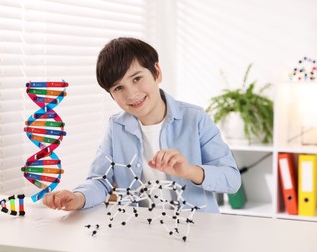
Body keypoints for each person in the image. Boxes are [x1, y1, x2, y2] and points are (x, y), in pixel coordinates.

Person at [43, 37, 241, 213]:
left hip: (196, 231)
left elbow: (232, 180)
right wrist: (78, 198)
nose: (131, 94)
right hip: (140, 233)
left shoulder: (195, 118)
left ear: (157, 72)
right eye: (119, 88)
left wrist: (190, 170)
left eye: (137, 78)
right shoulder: (116, 127)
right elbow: (99, 181)